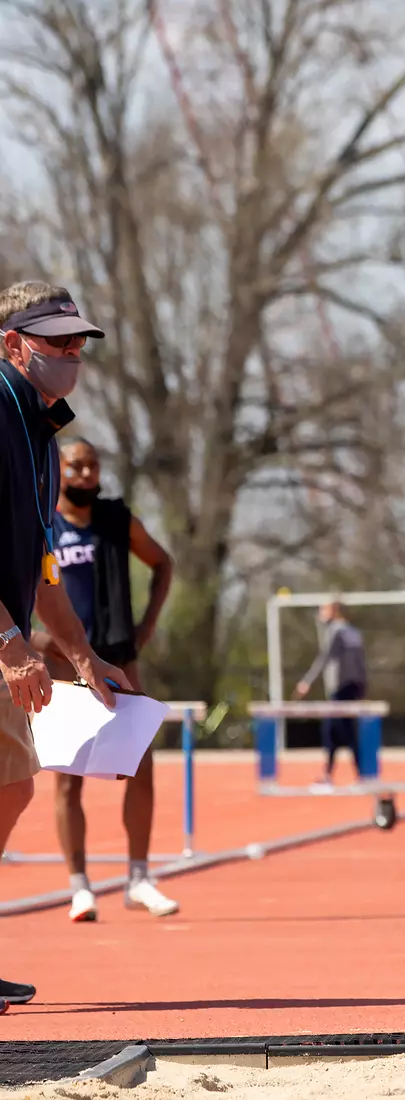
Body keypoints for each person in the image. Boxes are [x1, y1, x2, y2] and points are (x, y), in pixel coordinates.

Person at [0, 281, 130, 1005]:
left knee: (13, 786)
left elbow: (44, 563)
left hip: (12, 636)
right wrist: (12, 644)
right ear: (13, 343)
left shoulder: (45, 433)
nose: (72, 353)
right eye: (55, 340)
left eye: (78, 340)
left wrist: (80, 653)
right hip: (1, 639)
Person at [32, 438, 178, 921]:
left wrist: (149, 625)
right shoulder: (42, 523)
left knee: (140, 766)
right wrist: (32, 638)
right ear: (61, 470)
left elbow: (163, 562)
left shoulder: (116, 520)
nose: (86, 474)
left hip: (118, 659)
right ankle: (80, 886)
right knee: (70, 778)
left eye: (93, 465)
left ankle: (139, 877)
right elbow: (15, 582)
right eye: (76, 465)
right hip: (65, 664)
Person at [294, 600, 368, 785]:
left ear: (334, 611)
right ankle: (356, 773)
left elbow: (324, 657)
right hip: (353, 686)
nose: (320, 615)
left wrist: (307, 681)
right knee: (345, 730)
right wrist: (362, 684)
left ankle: (335, 774)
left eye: (323, 610)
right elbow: (360, 661)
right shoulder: (354, 632)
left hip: (341, 687)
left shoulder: (336, 631)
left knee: (333, 730)